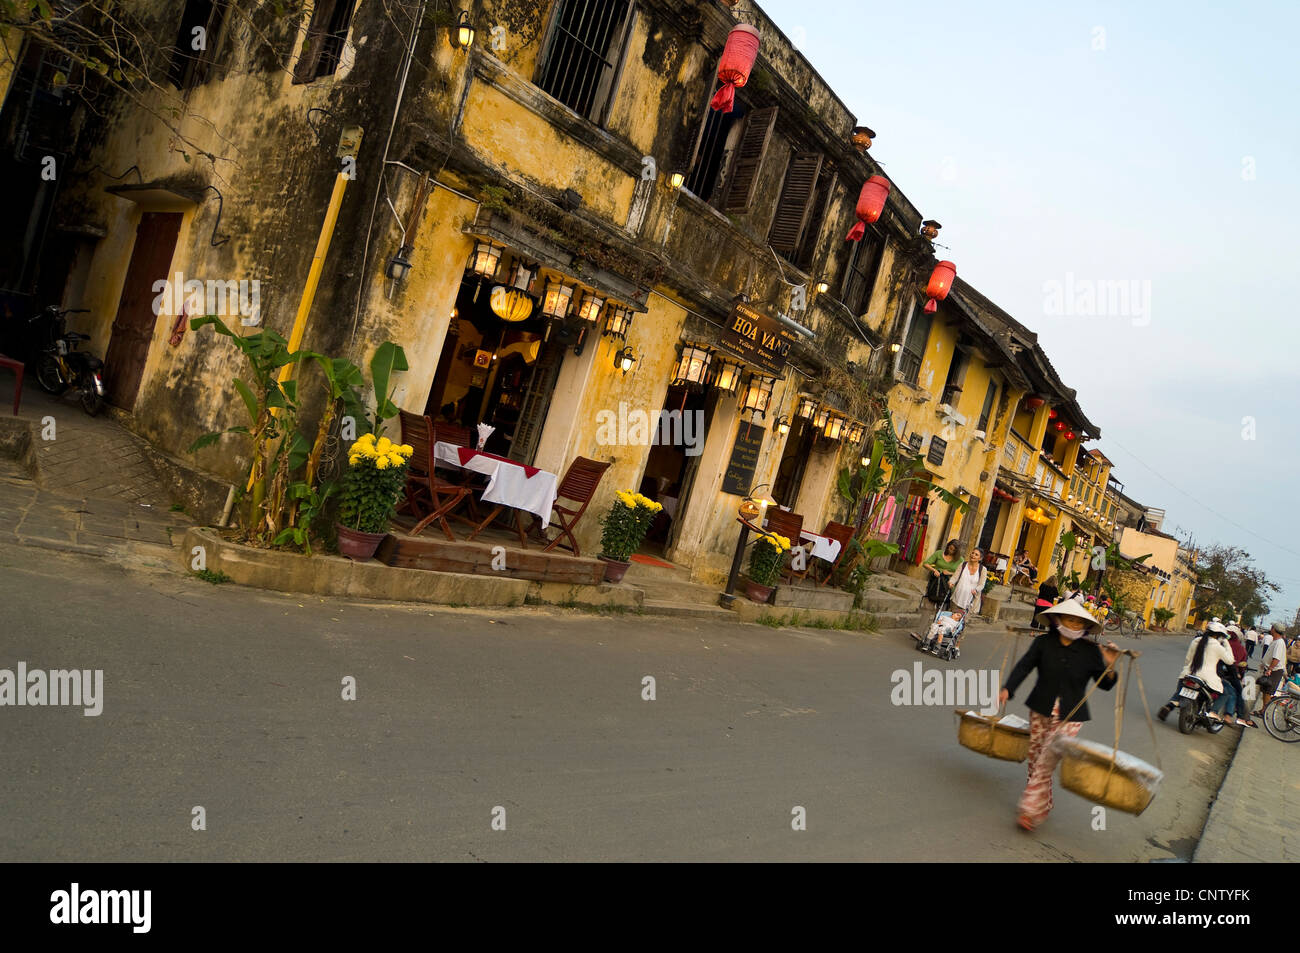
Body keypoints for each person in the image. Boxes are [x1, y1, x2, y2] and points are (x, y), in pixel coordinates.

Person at [998, 601, 1121, 831]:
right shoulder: (1044, 643)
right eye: (1069, 619)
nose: (1074, 624)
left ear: (1085, 626)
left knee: (1046, 760)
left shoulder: (1090, 651)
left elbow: (1104, 684)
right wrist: (1008, 688)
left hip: (1071, 715)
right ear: (1058, 620)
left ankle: (1029, 810)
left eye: (1078, 621)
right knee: (1035, 760)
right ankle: (1043, 803)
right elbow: (1025, 666)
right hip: (1040, 708)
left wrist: (1110, 666)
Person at [1157, 622, 1234, 722]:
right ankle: (1213, 711)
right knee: (1226, 693)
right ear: (1219, 636)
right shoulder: (1217, 647)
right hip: (1207, 678)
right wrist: (1227, 644)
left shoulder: (1196, 641)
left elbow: (1188, 659)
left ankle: (1169, 706)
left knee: (1179, 693)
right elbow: (1230, 660)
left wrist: (1186, 669)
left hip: (1189, 673)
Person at [1213, 624, 1255, 728]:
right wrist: (1239, 674)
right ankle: (1233, 716)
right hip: (1227, 675)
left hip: (1211, 671)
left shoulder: (1216, 643)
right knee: (1235, 693)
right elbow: (1239, 666)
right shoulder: (1240, 649)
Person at [1254, 623, 1290, 715]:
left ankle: (1264, 711)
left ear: (1274, 629)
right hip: (1270, 669)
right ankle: (1263, 710)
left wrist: (1270, 669)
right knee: (1265, 691)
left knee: (1268, 691)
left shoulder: (1279, 642)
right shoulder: (1276, 641)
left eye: (1272, 627)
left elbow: (1276, 658)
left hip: (1274, 671)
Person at [921, 540, 962, 607]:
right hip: (935, 582)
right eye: (950, 548)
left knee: (942, 607)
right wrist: (934, 570)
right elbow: (925, 564)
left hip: (948, 586)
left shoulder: (960, 560)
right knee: (928, 604)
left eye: (953, 550)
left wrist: (950, 573)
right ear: (948, 546)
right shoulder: (939, 553)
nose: (950, 551)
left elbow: (961, 574)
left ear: (957, 552)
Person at [949, 548, 987, 615]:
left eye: (976, 555)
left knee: (963, 622)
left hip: (970, 601)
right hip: (957, 598)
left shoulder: (983, 569)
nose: (973, 555)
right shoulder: (963, 565)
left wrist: (976, 589)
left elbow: (982, 584)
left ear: (980, 558)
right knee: (952, 619)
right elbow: (955, 577)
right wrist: (951, 582)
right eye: (972, 553)